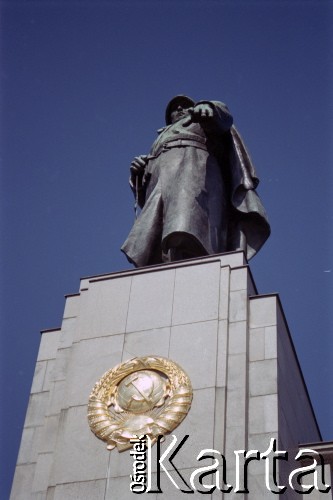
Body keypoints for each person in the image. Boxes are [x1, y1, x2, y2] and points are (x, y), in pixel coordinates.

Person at [121, 95, 270, 267]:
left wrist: (209, 108)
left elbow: (224, 118)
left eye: (184, 106)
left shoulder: (200, 121)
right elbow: (143, 194)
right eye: (174, 108)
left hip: (192, 172)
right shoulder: (160, 137)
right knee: (158, 236)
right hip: (160, 183)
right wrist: (139, 172)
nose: (179, 109)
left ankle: (194, 269)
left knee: (187, 227)